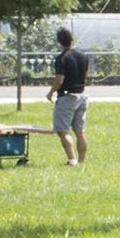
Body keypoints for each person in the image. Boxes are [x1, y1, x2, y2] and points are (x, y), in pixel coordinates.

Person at [45, 27, 89, 166]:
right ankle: (81, 162)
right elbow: (85, 74)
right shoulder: (83, 56)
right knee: (80, 132)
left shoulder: (61, 58)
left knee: (62, 131)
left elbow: (59, 80)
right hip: (82, 96)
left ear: (59, 42)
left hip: (67, 97)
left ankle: (72, 160)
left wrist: (51, 92)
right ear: (72, 39)